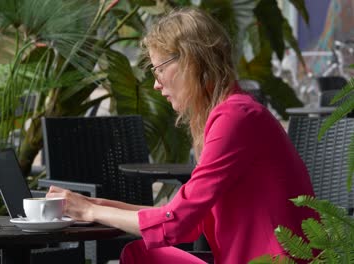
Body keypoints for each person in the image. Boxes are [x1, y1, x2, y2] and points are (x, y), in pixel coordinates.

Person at [46, 7, 317, 264]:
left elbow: (175, 222)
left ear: (190, 61)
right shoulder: (233, 113)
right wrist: (91, 204)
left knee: (143, 256)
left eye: (159, 69)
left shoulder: (236, 118)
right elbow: (188, 219)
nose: (155, 83)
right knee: (141, 253)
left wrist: (90, 212)